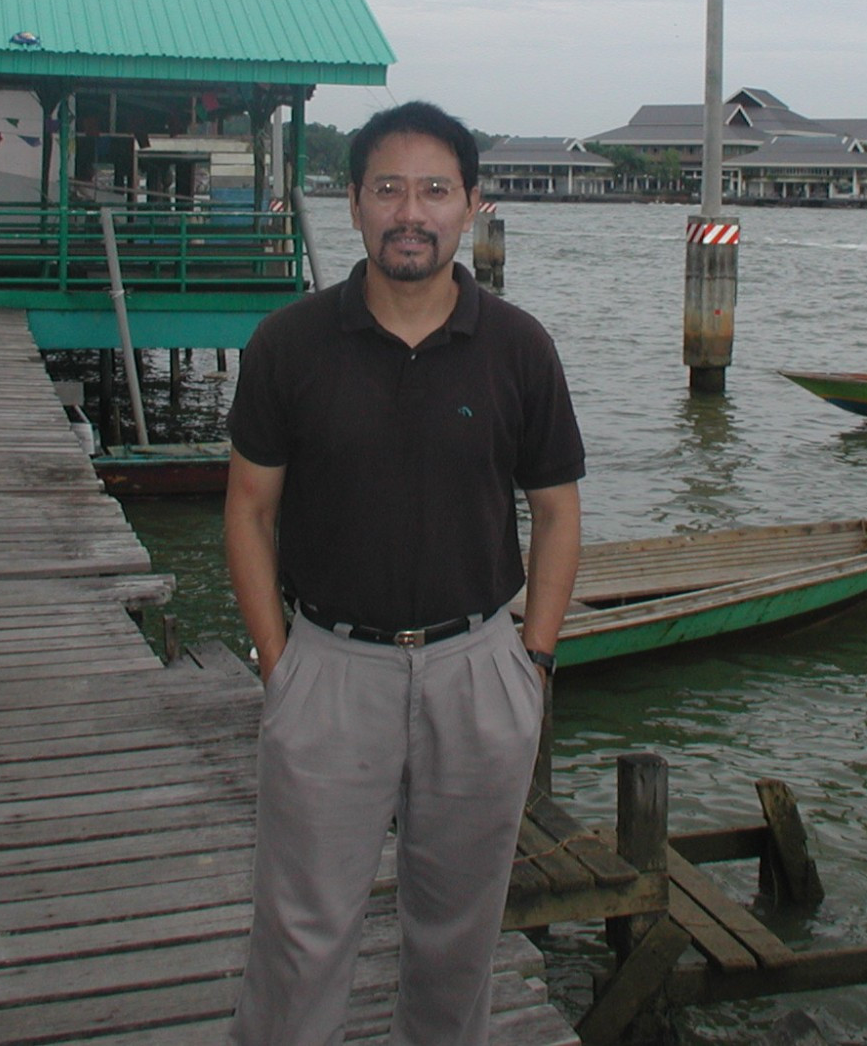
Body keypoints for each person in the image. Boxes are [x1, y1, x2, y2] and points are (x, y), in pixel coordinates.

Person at [224, 100, 586, 1046]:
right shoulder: (289, 346)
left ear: (472, 203)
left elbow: (556, 512)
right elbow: (249, 511)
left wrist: (533, 664)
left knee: (458, 944)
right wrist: (281, 665)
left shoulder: (519, 348)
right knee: (301, 937)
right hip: (330, 671)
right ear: (351, 204)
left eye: (434, 190)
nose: (410, 212)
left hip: (478, 669)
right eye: (387, 188)